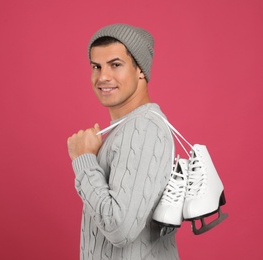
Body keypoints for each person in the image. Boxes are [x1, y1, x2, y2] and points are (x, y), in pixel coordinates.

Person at [67, 24, 179, 260]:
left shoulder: (143, 127)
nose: (103, 77)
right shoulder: (127, 128)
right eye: (96, 67)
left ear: (140, 70)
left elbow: (120, 229)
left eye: (115, 65)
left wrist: (84, 160)